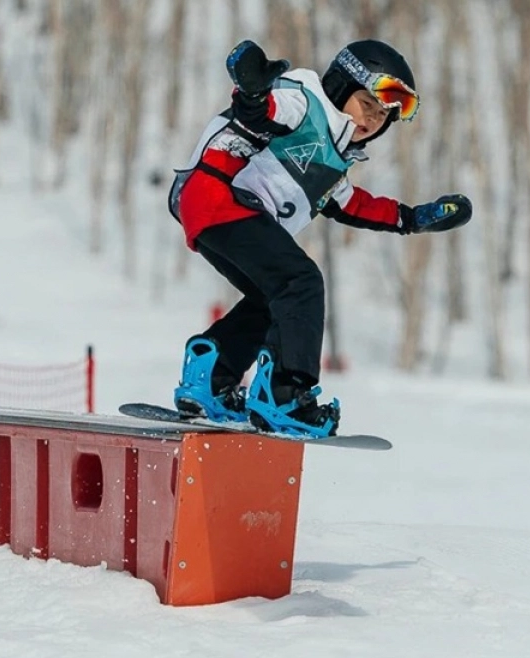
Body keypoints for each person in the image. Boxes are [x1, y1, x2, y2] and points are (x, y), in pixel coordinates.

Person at [167, 39, 472, 438]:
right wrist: (254, 90)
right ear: (343, 88)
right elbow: (265, 112)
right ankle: (286, 394)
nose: (373, 120)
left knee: (273, 298)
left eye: (382, 116)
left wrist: (412, 218)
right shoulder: (304, 100)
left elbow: (351, 204)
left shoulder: (334, 156)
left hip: (211, 208)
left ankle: (210, 377)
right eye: (368, 104)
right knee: (301, 282)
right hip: (221, 192)